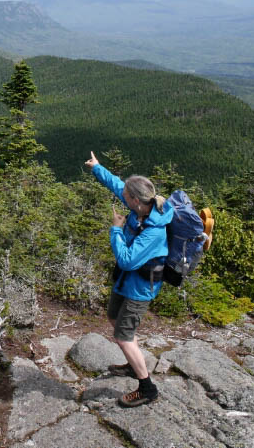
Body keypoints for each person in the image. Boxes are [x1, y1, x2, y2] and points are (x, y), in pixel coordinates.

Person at [85, 151, 173, 407]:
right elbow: (117, 185)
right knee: (114, 317)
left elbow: (126, 260)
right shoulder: (140, 207)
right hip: (126, 282)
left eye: (125, 196)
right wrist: (97, 168)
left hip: (139, 289)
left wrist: (115, 229)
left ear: (134, 200)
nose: (121, 196)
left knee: (122, 337)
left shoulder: (153, 231)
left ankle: (146, 387)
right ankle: (133, 362)